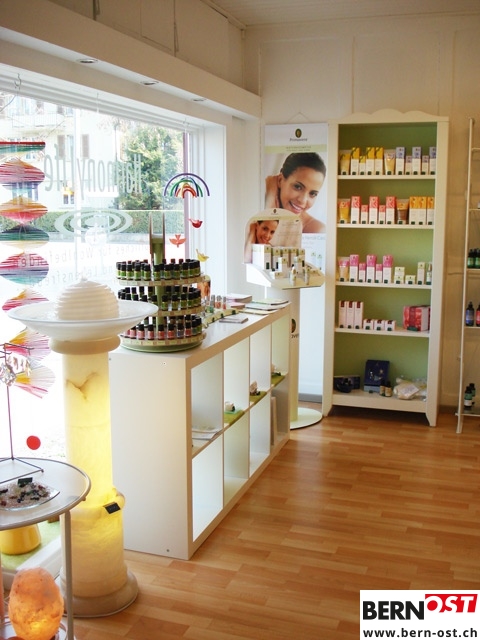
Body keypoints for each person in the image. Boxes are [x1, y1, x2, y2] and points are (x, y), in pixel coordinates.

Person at [265, 151, 326, 233]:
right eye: (298, 187)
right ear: (280, 180)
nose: (303, 200)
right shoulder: (260, 198)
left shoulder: (316, 230)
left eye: (313, 194)